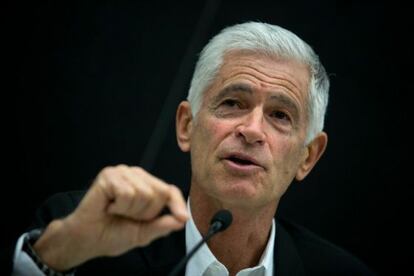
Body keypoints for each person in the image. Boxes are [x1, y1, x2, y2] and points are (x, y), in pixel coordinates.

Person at [12, 22, 375, 275]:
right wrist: (59, 255)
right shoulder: (86, 234)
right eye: (232, 103)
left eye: (280, 115)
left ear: (307, 157)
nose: (251, 130)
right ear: (187, 125)